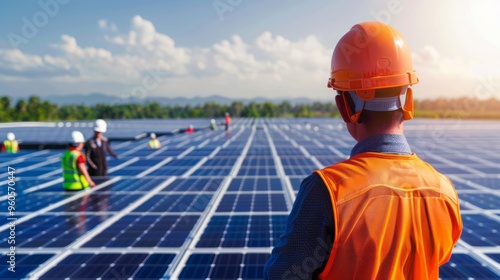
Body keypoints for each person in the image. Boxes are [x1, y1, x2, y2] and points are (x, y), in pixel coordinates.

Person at [265, 22, 462, 279]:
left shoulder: (328, 191)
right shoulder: (444, 191)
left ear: (344, 106)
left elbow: (282, 275)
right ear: (407, 99)